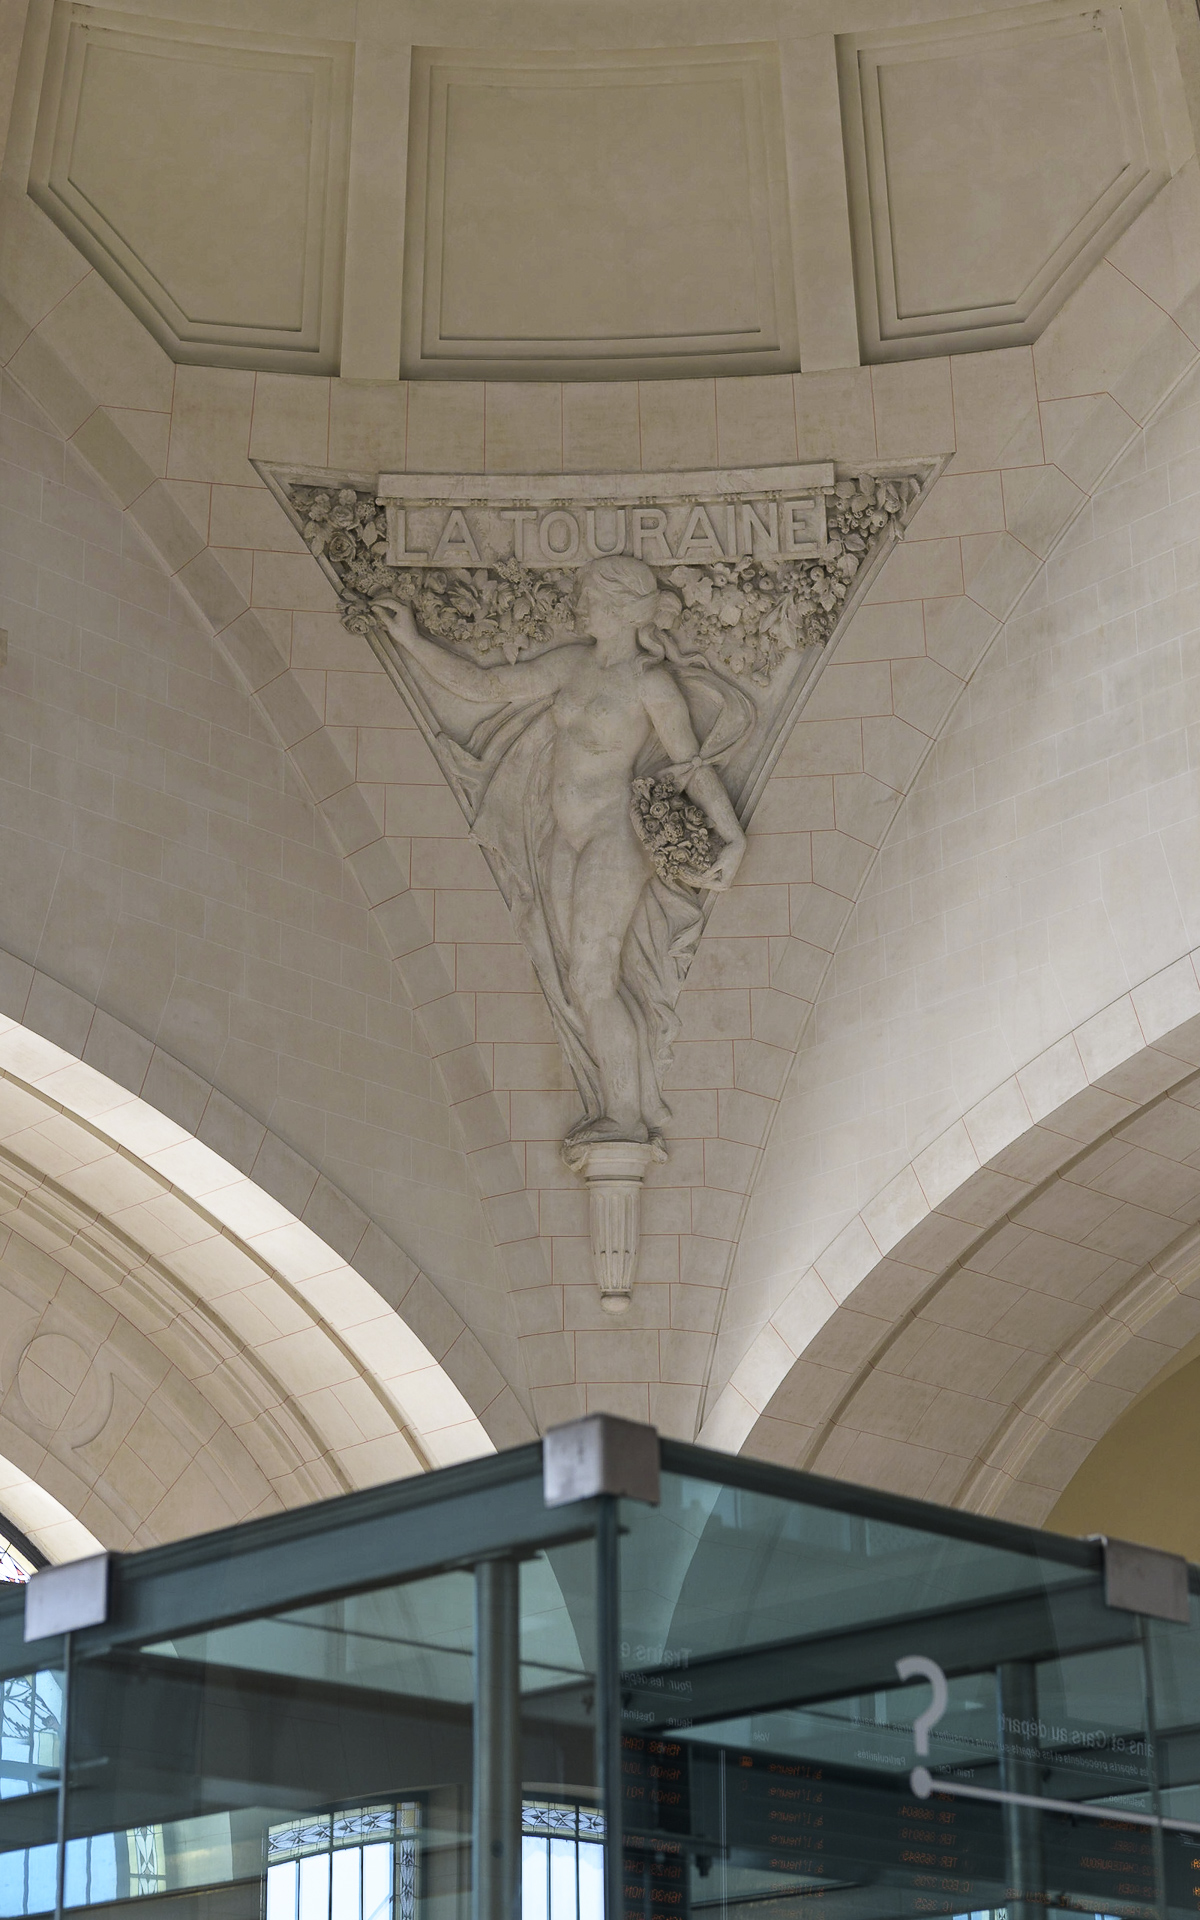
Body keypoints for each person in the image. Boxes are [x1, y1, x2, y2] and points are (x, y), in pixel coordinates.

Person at [371, 555, 750, 1149]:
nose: (581, 608)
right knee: (580, 980)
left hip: (612, 835)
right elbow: (487, 687)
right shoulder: (572, 664)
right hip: (562, 836)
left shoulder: (649, 683)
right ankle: (621, 1101)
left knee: (593, 976)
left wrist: (733, 836)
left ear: (623, 610)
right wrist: (412, 640)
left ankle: (625, 1117)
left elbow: (690, 764)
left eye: (592, 600)